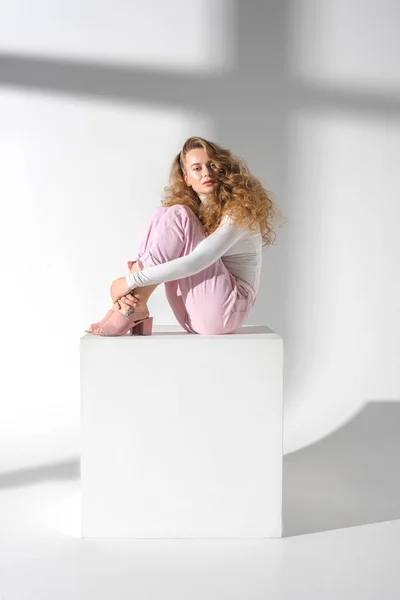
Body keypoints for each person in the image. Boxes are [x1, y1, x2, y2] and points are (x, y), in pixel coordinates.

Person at [85, 136, 285, 336]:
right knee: (164, 215)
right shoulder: (199, 214)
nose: (206, 172)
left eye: (212, 165)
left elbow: (198, 261)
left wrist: (130, 281)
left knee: (178, 214)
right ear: (186, 178)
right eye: (197, 168)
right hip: (192, 313)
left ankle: (130, 307)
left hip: (226, 311)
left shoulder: (239, 211)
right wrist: (133, 281)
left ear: (223, 169)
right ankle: (134, 305)